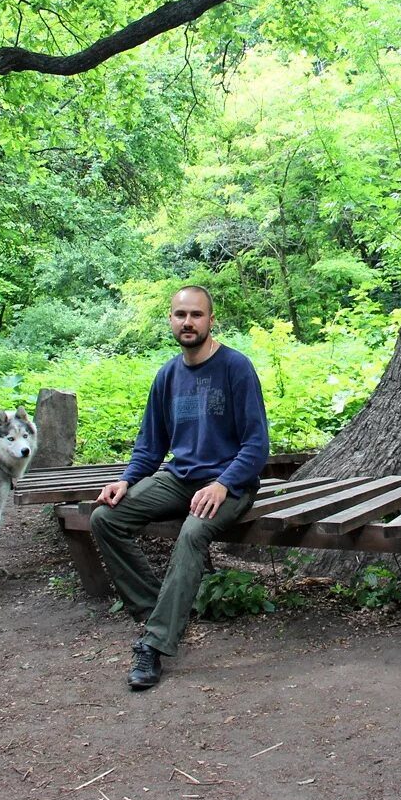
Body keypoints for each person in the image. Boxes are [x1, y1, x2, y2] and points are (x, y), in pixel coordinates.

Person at [89, 285, 269, 691]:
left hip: (231, 483)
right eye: (180, 315)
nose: (188, 322)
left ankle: (154, 644)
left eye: (196, 315)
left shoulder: (235, 368)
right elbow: (150, 446)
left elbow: (256, 446)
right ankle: (159, 610)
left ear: (211, 320)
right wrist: (125, 480)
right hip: (180, 478)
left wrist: (224, 484)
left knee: (192, 531)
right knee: (105, 517)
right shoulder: (168, 376)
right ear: (171, 319)